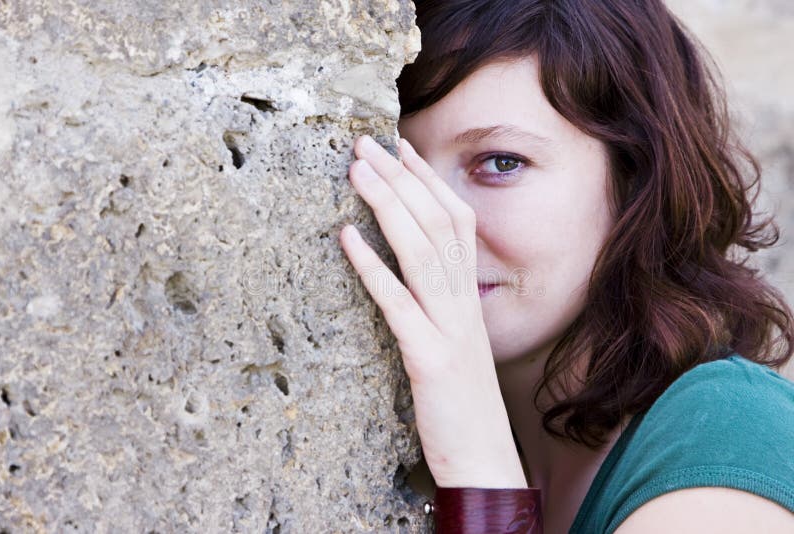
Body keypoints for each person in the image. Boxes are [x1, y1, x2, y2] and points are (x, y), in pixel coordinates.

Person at [338, 1, 794, 532]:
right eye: (398, 165)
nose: (438, 218)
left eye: (502, 162)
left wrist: (479, 476)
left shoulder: (728, 441)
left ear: (634, 180)